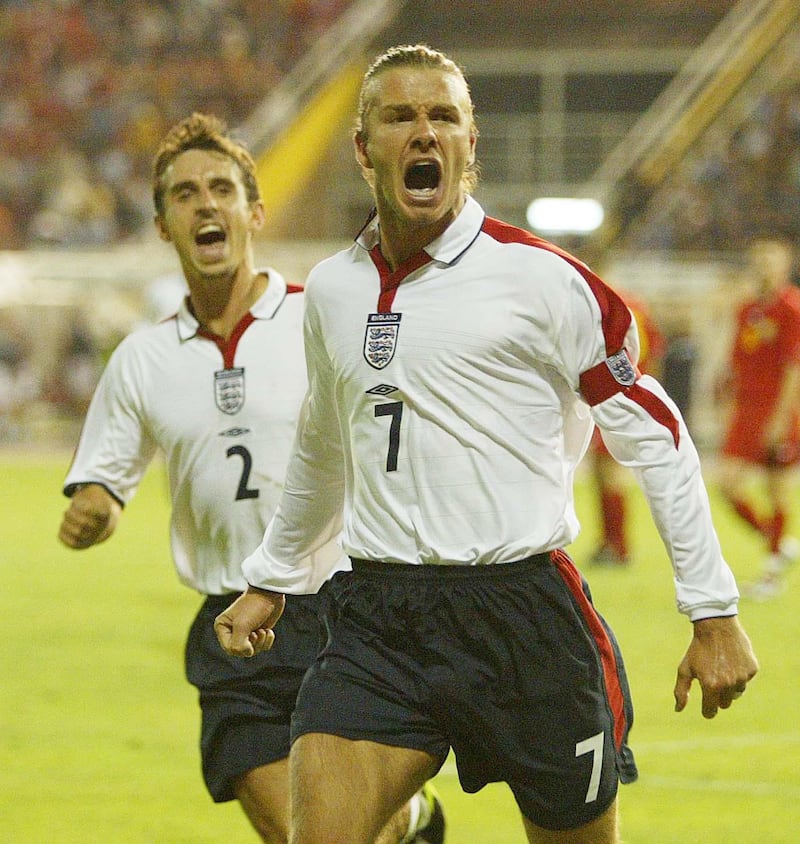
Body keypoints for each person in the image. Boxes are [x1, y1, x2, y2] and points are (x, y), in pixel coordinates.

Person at [213, 46, 758, 844]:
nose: (424, 133)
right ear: (364, 151)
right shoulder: (332, 290)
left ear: (472, 146)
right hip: (377, 619)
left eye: (445, 117)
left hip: (525, 620)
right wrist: (275, 576)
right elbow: (325, 444)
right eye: (400, 117)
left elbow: (660, 438)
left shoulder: (545, 281)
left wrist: (713, 612)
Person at [57, 112, 444, 844]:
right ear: (164, 225)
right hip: (231, 627)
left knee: (362, 831)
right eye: (184, 194)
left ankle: (413, 818)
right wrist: (94, 508)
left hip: (344, 613)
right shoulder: (141, 359)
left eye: (221, 189)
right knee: (302, 834)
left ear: (253, 212)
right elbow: (101, 483)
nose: (205, 203)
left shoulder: (321, 316)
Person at [716, 234, 800, 600]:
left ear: (785, 266)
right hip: (747, 409)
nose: (765, 267)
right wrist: (728, 400)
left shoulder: (792, 308)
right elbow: (737, 359)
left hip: (777, 410)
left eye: (772, 260)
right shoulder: (748, 309)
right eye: (760, 260)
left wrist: (781, 418)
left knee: (776, 487)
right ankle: (779, 543)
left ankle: (771, 575)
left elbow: (793, 367)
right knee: (727, 484)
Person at [587, 290, 665, 567]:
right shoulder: (626, 303)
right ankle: (607, 543)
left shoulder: (620, 305)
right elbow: (653, 349)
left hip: (616, 398)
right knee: (600, 471)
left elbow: (649, 351)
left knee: (612, 473)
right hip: (601, 396)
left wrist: (637, 390)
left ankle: (620, 548)